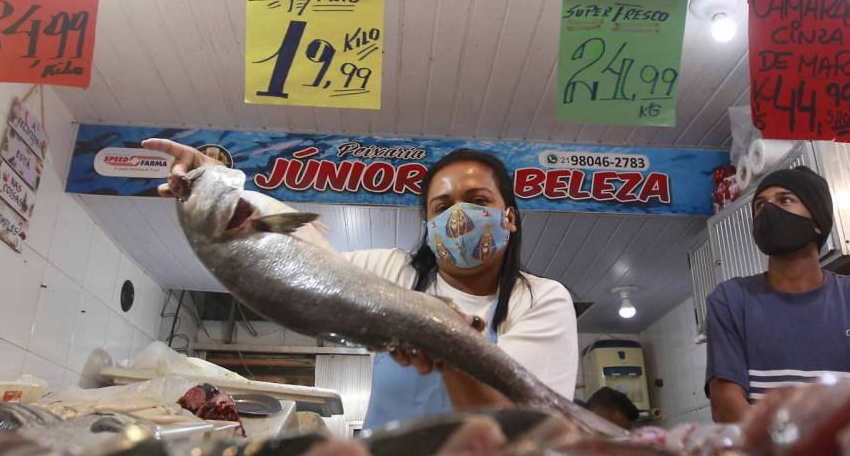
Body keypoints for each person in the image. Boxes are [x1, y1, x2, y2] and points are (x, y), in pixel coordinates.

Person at [144, 139, 579, 430]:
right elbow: (297, 263)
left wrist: (449, 349)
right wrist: (205, 171)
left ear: (510, 217)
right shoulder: (394, 272)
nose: (458, 218)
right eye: (442, 207)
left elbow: (529, 429)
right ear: (428, 224)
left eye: (478, 201)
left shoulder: (540, 298)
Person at [706, 166, 850, 423]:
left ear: (817, 222)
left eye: (785, 200)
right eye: (760, 206)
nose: (769, 211)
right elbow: (725, 406)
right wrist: (785, 449)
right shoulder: (732, 298)